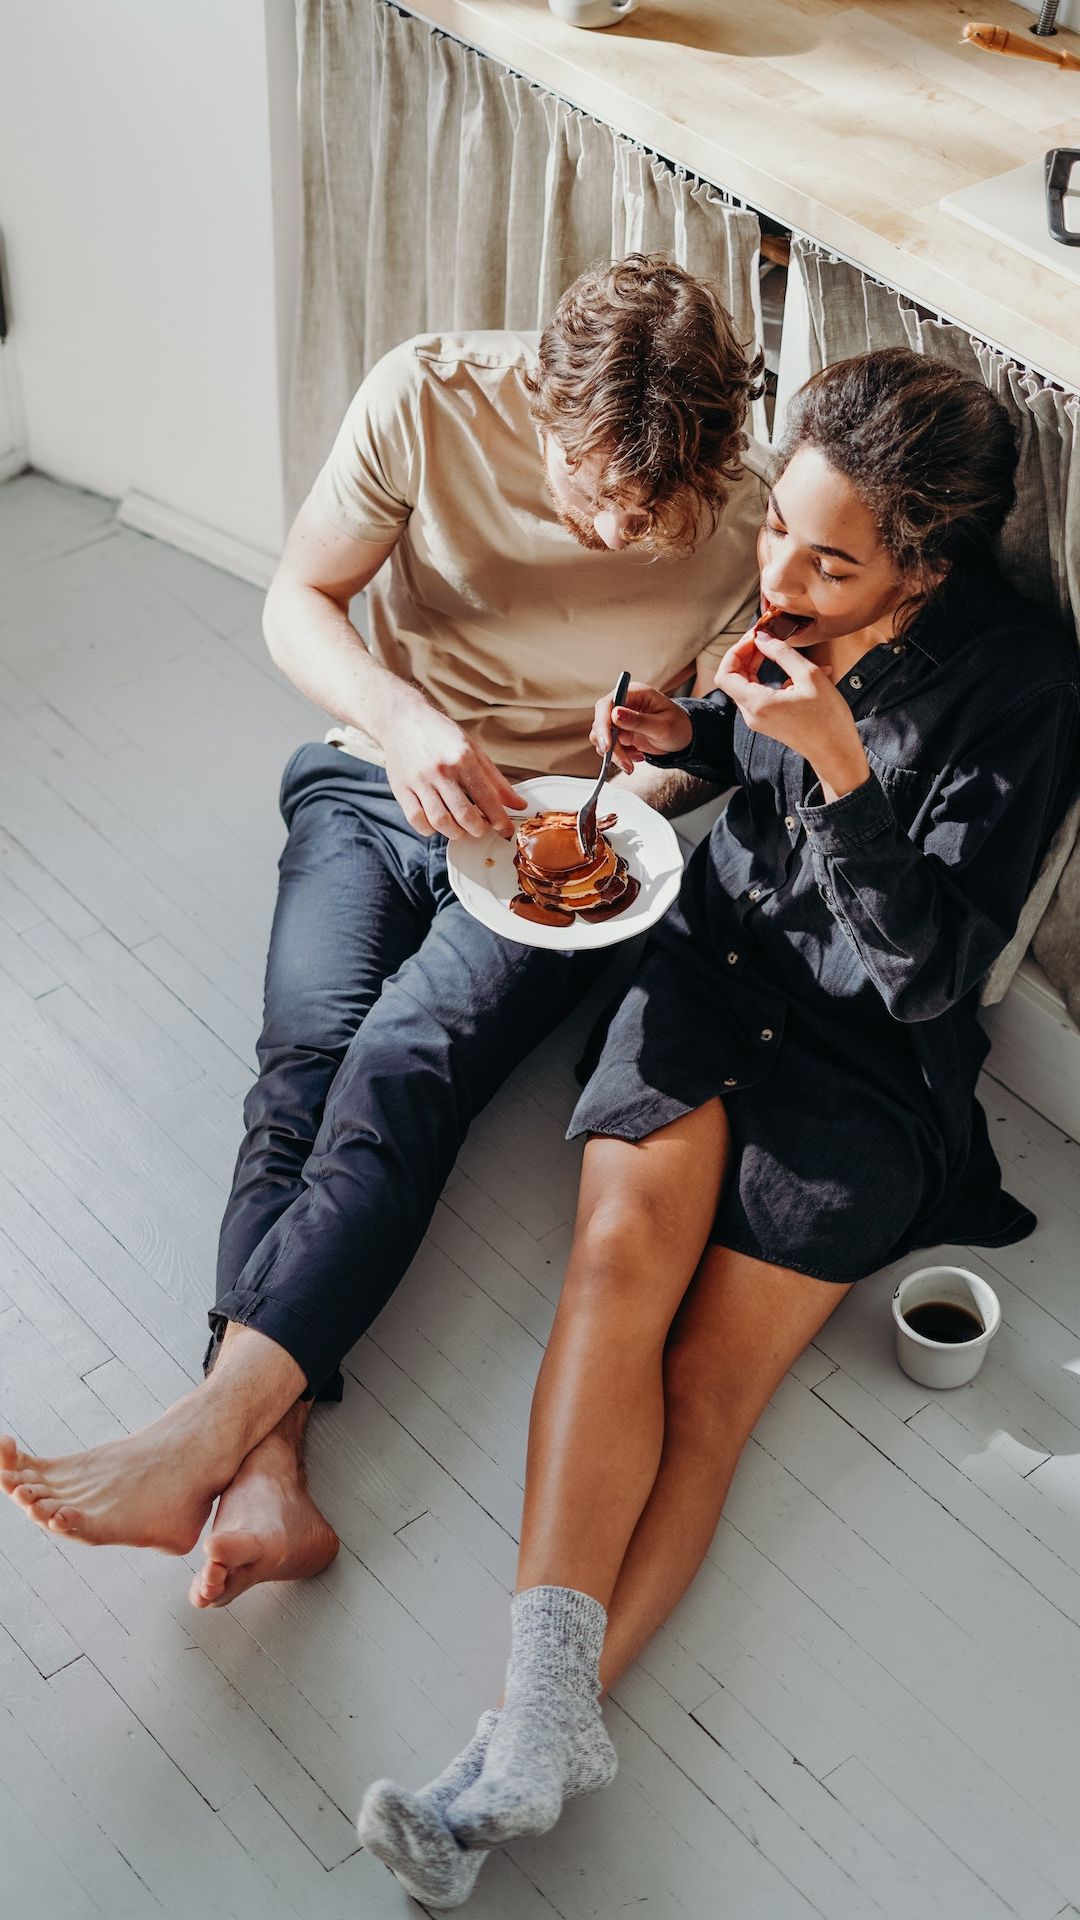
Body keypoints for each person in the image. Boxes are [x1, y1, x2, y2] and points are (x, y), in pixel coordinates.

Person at [356, 347, 1080, 1909]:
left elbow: (936, 975)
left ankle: (520, 1754)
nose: (784, 577)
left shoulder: (1025, 687)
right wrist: (685, 739)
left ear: (926, 565)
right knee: (615, 1265)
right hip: (713, 965)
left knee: (708, 1388)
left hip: (868, 1066)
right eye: (778, 536)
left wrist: (840, 769)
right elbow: (744, 767)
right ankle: (543, 1722)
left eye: (831, 560)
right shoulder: (786, 609)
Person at [0, 255, 768, 1606]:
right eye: (592, 494)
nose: (614, 534)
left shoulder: (742, 512)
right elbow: (296, 600)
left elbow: (707, 743)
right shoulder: (428, 396)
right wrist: (409, 721)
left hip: (563, 843)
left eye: (652, 517)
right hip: (376, 777)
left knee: (407, 1057)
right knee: (305, 1053)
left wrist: (613, 805)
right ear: (540, 408)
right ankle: (264, 1471)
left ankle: (210, 1434)